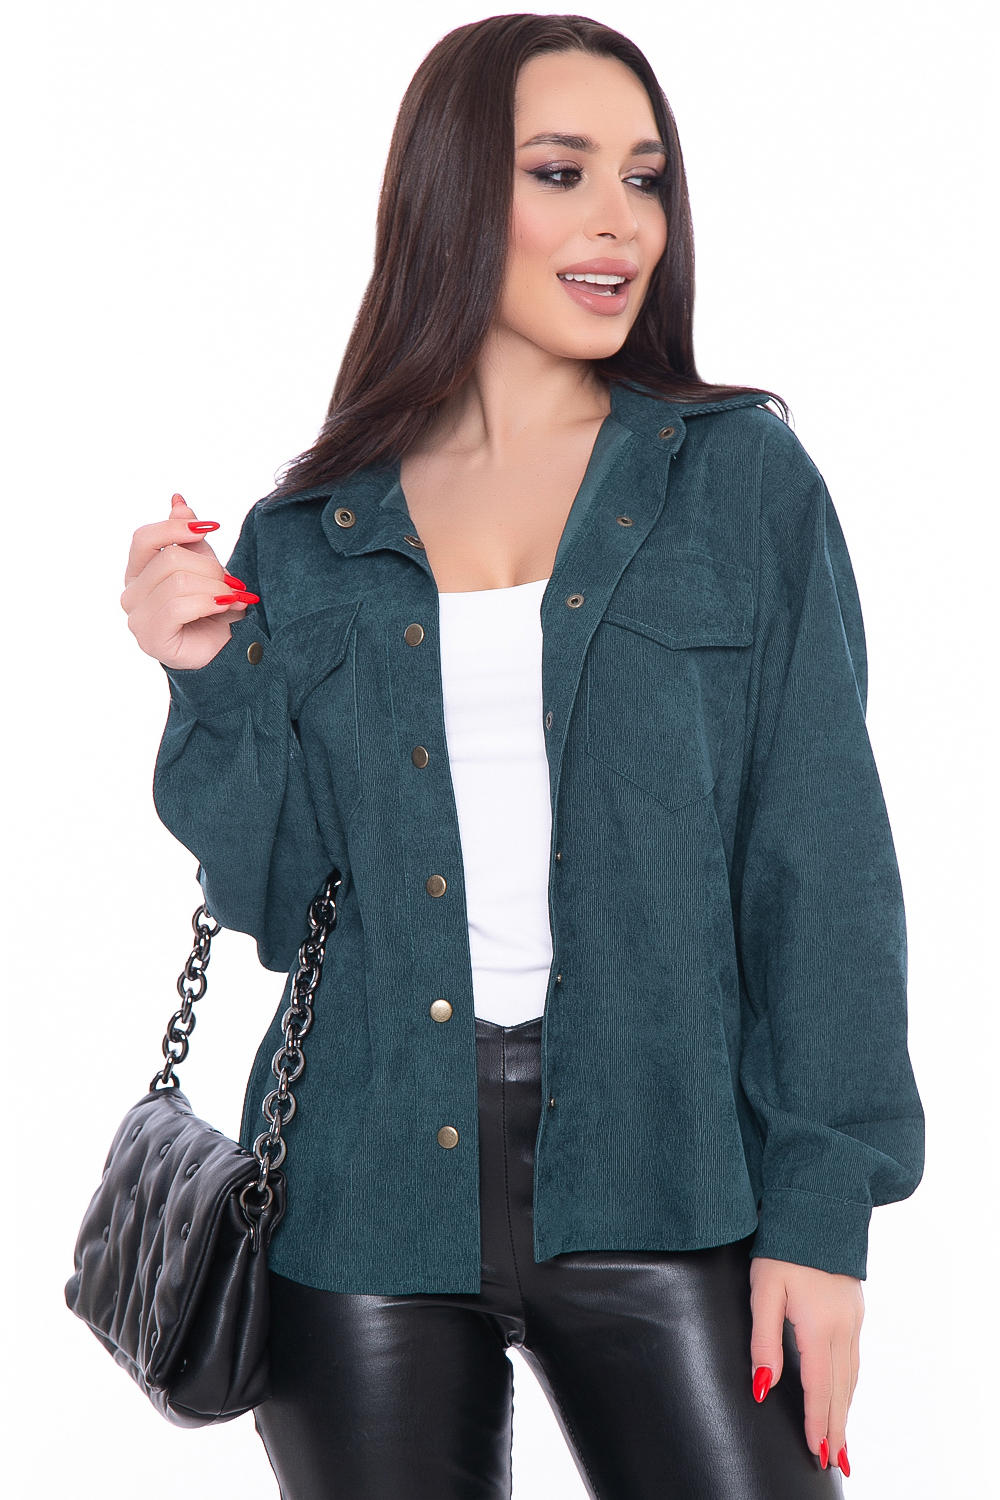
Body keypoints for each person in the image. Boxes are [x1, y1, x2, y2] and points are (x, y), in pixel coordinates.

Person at [120, 14, 924, 1499]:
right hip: (361, 1195)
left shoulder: (740, 482)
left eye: (645, 178)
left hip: (668, 1170)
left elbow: (822, 866)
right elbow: (274, 896)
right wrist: (207, 678)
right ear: (449, 199)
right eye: (562, 172)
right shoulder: (311, 533)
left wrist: (824, 1217)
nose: (622, 219)